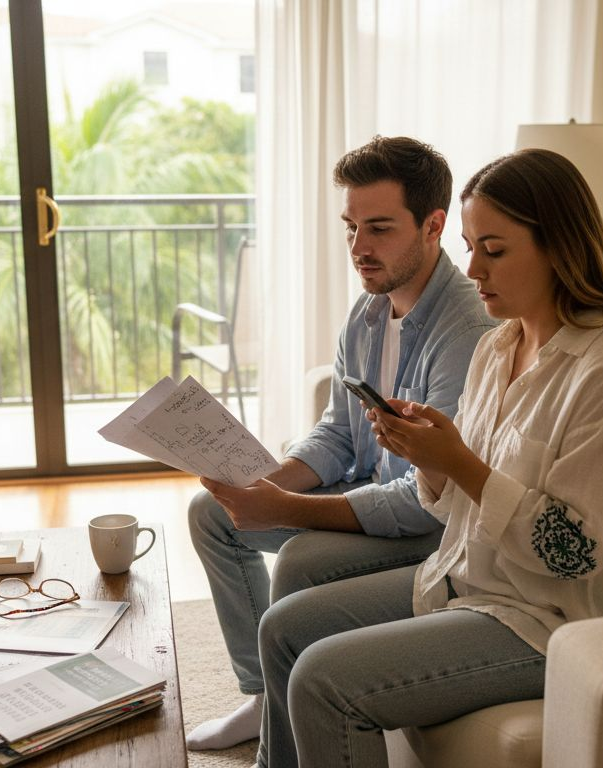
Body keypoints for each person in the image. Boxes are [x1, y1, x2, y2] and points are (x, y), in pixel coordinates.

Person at [252, 148, 603, 767]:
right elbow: (453, 504)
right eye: (471, 246)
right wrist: (428, 455)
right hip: (467, 582)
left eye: (494, 250)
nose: (472, 269)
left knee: (324, 679)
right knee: (284, 629)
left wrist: (461, 463)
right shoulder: (498, 348)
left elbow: (572, 554)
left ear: (559, 248)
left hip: (555, 622)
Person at [186, 136, 498, 750]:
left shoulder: (466, 329)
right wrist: (265, 482)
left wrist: (285, 509)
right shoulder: (367, 313)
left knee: (300, 558)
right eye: (351, 228)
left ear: (433, 226)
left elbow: (424, 501)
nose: (358, 248)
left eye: (378, 229)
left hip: (428, 525)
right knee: (212, 513)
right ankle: (263, 695)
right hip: (374, 490)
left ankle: (281, 723)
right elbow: (337, 433)